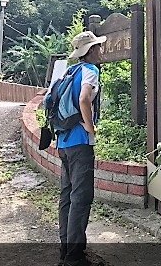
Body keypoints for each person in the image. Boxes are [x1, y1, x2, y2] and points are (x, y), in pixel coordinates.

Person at [58, 31, 106, 266]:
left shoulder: (70, 71)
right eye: (97, 47)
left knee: (67, 195)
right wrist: (90, 128)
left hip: (63, 143)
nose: (100, 50)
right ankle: (74, 257)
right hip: (79, 143)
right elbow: (84, 99)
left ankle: (66, 249)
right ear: (91, 51)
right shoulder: (90, 71)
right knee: (81, 197)